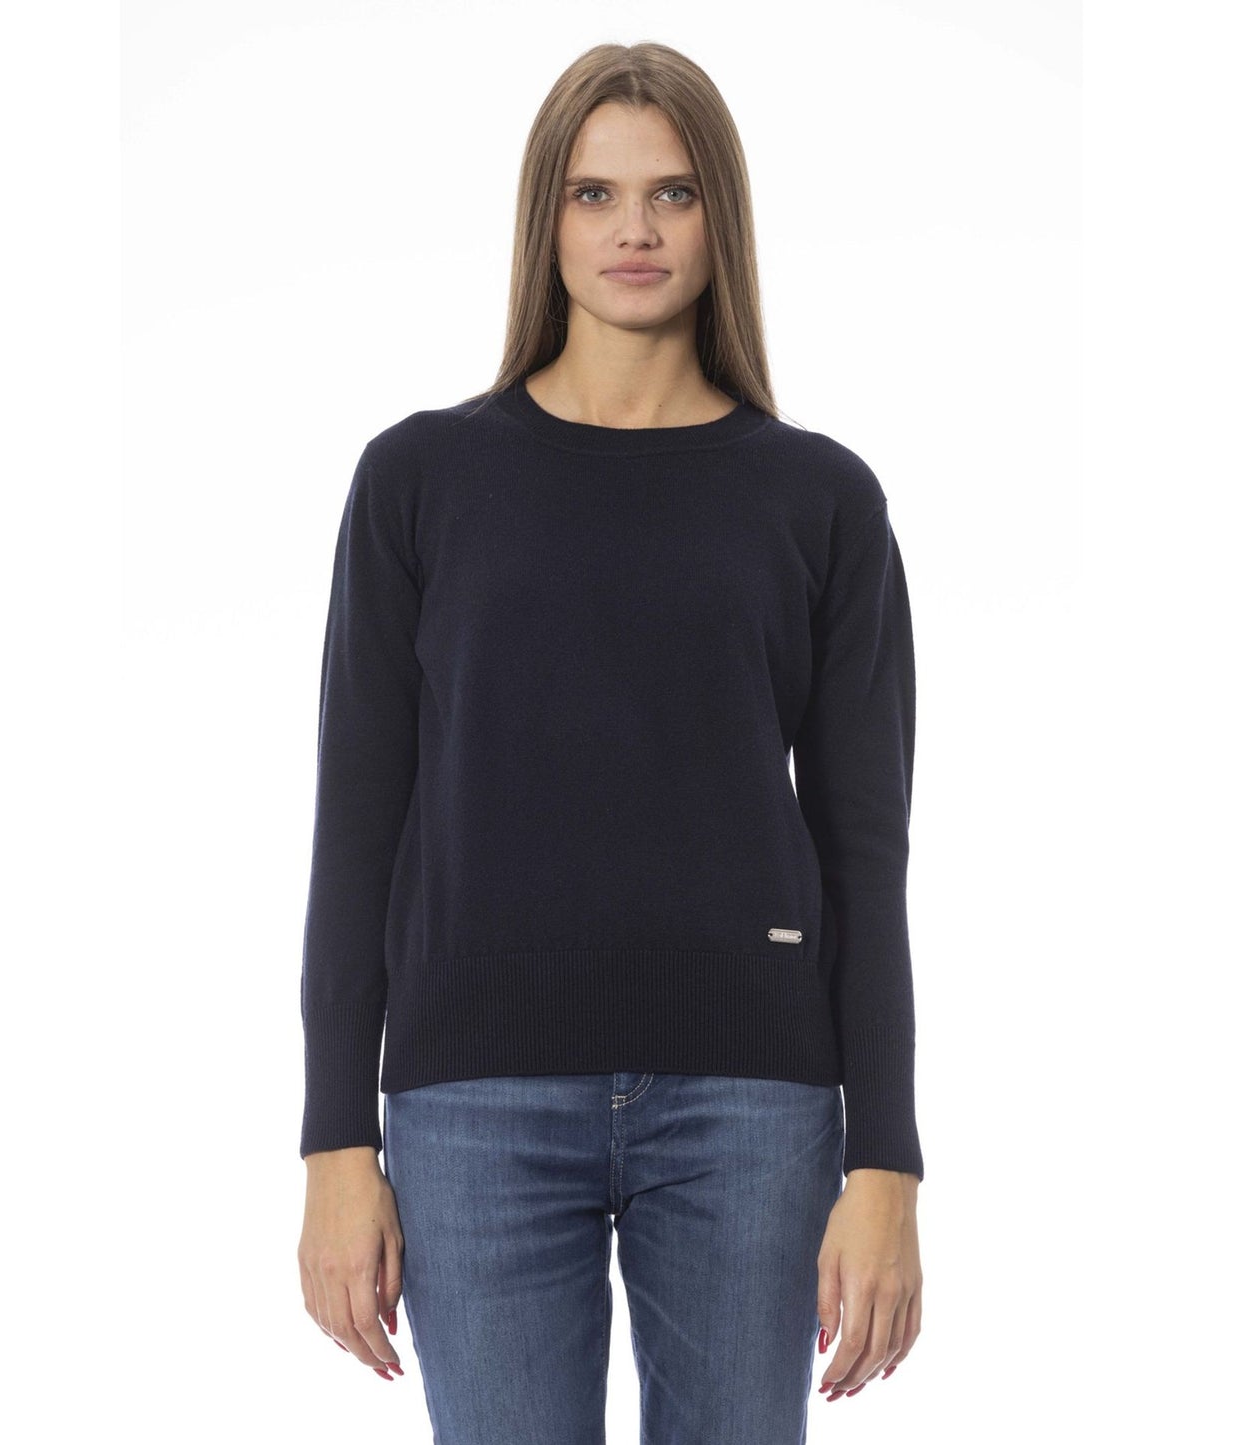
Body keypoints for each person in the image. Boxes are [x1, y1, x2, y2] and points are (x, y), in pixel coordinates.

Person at [296, 40, 924, 1442]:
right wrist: (336, 1140)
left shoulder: (819, 500)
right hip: (474, 1106)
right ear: (547, 217)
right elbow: (357, 829)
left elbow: (863, 853)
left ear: (720, 219)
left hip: (751, 1105)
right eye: (594, 193)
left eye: (671, 193)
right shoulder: (419, 480)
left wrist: (885, 1160)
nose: (633, 229)